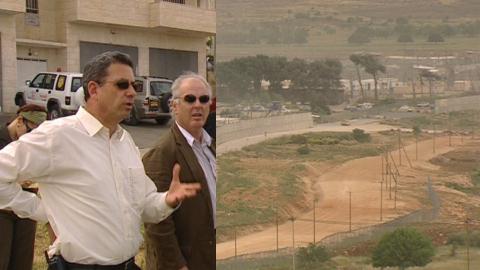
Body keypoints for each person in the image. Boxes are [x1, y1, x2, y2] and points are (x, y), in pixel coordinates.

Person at [0, 51, 201, 270]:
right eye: (122, 85)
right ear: (94, 89)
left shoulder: (125, 142)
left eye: (134, 86)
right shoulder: (57, 136)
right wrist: (42, 209)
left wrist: (168, 200)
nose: (132, 92)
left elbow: (144, 207)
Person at [143, 72, 216, 270]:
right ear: (174, 106)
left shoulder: (210, 146)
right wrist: (177, 265)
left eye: (204, 99)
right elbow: (156, 222)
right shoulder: (163, 152)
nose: (197, 105)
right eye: (190, 99)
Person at [0, 104, 47, 270]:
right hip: (3, 211)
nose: (32, 139)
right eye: (30, 132)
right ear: (20, 121)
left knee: (22, 262)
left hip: (27, 209)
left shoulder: (31, 145)